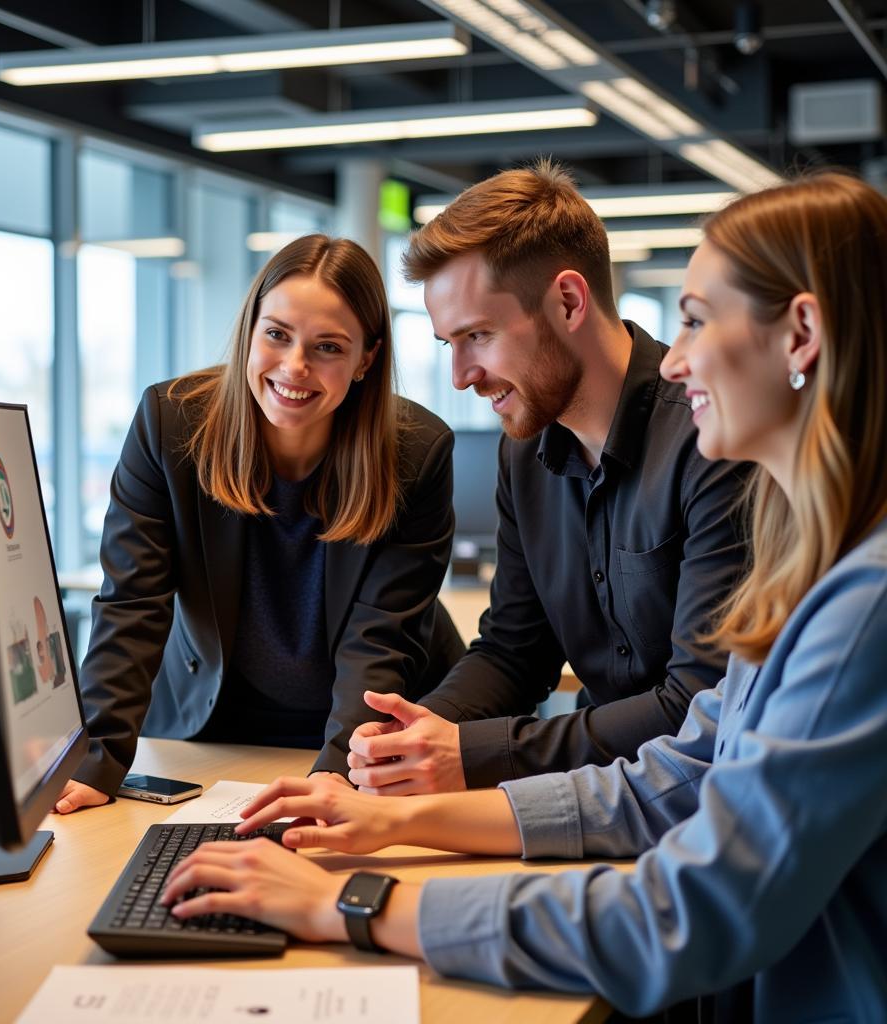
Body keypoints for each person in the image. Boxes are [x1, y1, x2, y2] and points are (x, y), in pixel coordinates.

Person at [161, 172, 887, 1021]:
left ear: (800, 334)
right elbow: (676, 776)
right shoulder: (817, 574)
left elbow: (691, 912)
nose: (678, 354)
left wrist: (358, 904)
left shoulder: (857, 604)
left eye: (694, 319)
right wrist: (404, 816)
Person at [347, 161, 746, 796]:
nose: (460, 375)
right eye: (450, 342)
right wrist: (416, 734)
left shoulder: (713, 438)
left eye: (478, 335)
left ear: (567, 301)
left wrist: (470, 753)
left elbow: (696, 704)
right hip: (600, 800)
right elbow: (514, 652)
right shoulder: (525, 452)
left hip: (701, 804)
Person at [55, 234, 464, 813]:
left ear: (366, 359)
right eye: (277, 334)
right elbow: (132, 603)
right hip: (213, 722)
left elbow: (380, 639)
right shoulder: (170, 426)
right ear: (250, 330)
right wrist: (97, 759)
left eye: (327, 346)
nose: (294, 367)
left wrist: (338, 773)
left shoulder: (416, 453)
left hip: (362, 727)